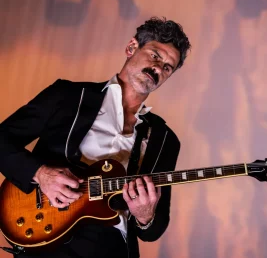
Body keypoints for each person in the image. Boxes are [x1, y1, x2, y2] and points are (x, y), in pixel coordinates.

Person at [0, 17, 191, 258]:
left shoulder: (164, 139)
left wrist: (145, 215)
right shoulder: (68, 95)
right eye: (155, 55)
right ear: (132, 47)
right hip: (48, 234)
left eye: (167, 68)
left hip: (109, 245)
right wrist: (40, 173)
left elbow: (153, 229)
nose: (158, 69)